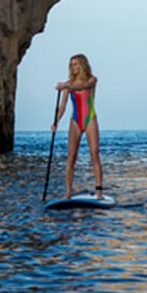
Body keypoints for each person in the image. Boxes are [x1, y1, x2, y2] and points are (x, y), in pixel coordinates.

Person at [53, 54, 103, 199]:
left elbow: (83, 86)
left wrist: (65, 86)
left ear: (82, 65)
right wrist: (55, 122)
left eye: (75, 64)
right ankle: (68, 192)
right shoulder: (69, 84)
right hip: (75, 120)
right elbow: (62, 107)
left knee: (94, 155)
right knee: (71, 157)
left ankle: (99, 192)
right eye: (71, 65)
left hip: (89, 119)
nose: (73, 67)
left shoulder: (91, 80)